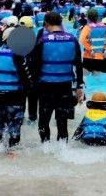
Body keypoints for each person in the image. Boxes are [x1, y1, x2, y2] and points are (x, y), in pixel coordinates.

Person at [32, 11, 84, 143]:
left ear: (46, 24)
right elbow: (78, 65)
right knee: (62, 122)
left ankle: (46, 148)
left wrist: (33, 86)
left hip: (45, 86)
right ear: (61, 23)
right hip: (65, 86)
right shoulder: (72, 39)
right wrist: (79, 86)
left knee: (43, 121)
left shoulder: (42, 41)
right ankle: (62, 151)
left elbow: (35, 66)